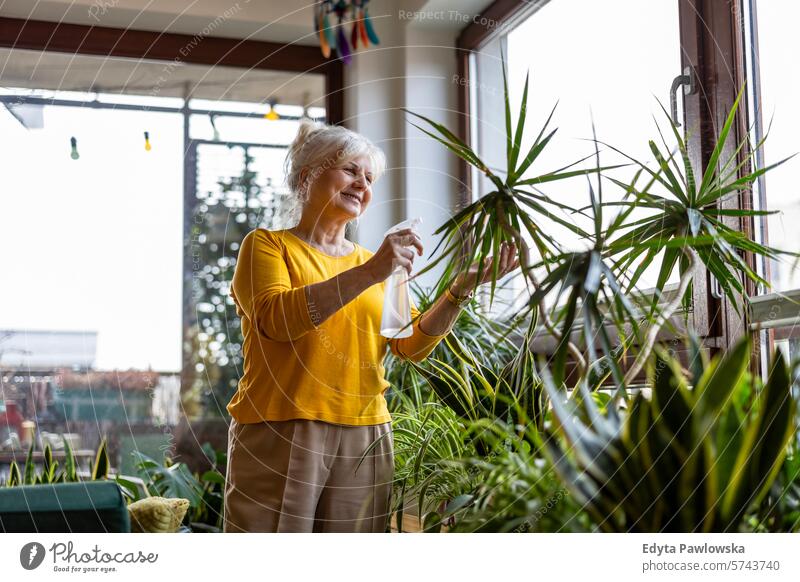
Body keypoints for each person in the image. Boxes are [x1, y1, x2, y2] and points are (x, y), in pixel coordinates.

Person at [223, 120, 518, 533]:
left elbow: (409, 345)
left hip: (366, 432)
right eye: (349, 169)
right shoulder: (268, 246)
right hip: (282, 426)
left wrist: (458, 290)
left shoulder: (379, 263)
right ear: (308, 176)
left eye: (369, 177)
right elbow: (277, 321)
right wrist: (371, 271)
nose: (362, 182)